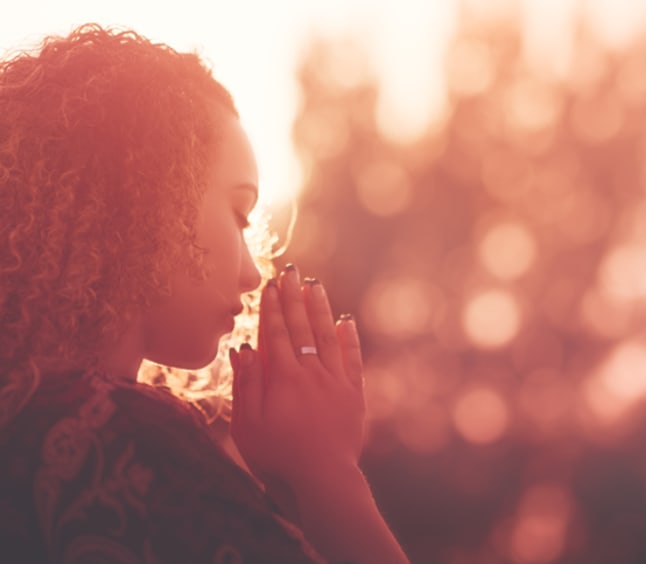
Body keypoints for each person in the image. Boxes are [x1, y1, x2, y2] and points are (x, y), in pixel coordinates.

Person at [0, 24, 410, 563]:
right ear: (150, 194)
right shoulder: (126, 437)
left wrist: (288, 494)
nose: (250, 274)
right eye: (239, 214)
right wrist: (329, 476)